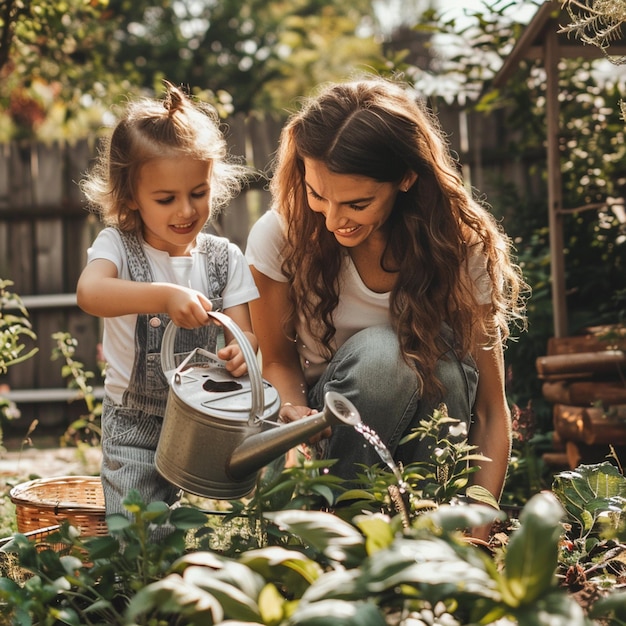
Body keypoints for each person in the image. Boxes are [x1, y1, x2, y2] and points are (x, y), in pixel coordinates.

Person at [245, 77, 527, 534]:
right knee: (385, 358)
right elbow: (276, 360)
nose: (334, 219)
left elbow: (493, 413)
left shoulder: (459, 245)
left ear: (406, 178)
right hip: (317, 439)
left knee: (444, 371)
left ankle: (431, 545)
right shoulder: (280, 235)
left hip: (425, 438)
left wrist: (477, 534)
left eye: (357, 203)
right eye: (318, 194)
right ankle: (338, 542)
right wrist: (294, 429)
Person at [77, 81, 259, 519]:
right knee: (140, 529)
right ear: (130, 198)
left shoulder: (224, 257)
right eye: (166, 199)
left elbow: (246, 333)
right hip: (135, 422)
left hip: (206, 420)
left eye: (198, 193)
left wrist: (242, 352)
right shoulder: (117, 246)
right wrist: (163, 296)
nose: (186, 211)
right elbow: (90, 292)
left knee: (211, 521)